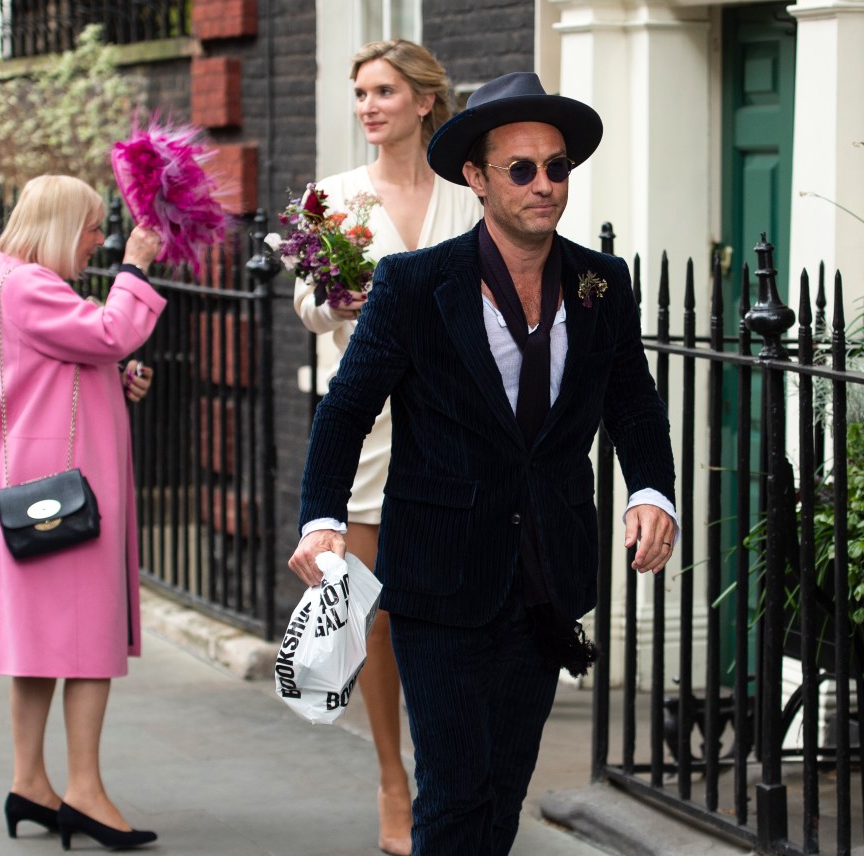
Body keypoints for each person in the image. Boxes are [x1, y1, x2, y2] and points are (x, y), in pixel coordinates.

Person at [289, 72, 679, 854]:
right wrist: (325, 518)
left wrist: (653, 491)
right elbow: (346, 407)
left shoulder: (604, 283)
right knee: (455, 793)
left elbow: (631, 402)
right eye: (522, 169)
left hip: (545, 579)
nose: (545, 186)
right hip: (440, 578)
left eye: (558, 167)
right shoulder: (414, 283)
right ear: (476, 177)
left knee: (502, 792)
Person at [292, 38, 481, 856]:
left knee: (447, 602)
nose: (368, 106)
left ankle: (447, 773)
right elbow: (306, 304)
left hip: (453, 424)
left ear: (424, 101)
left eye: (383, 92)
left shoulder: (470, 195)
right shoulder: (332, 198)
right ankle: (390, 779)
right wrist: (339, 299)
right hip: (366, 425)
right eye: (360, 92)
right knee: (369, 614)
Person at [0, 175, 166, 851]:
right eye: (90, 228)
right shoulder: (31, 285)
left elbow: (60, 363)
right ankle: (83, 791)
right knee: (86, 642)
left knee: (41, 645)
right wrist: (136, 266)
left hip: (41, 486)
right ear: (57, 226)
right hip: (64, 494)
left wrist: (112, 378)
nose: (99, 240)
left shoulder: (12, 279)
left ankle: (31, 783)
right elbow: (112, 329)